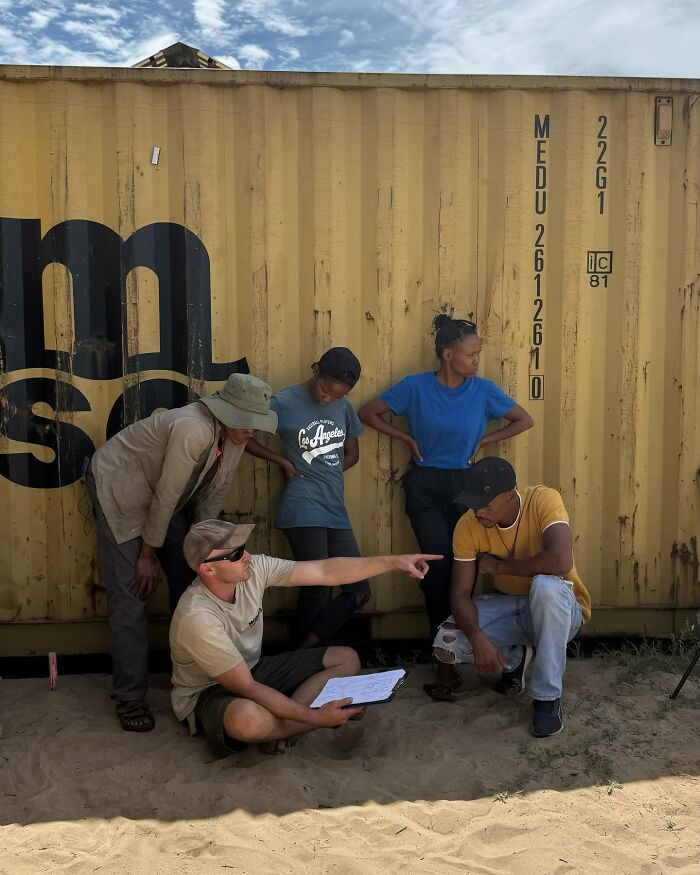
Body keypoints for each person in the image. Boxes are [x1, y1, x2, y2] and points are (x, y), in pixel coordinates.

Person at [86, 373, 277, 733]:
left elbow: (212, 498)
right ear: (227, 412)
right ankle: (129, 696)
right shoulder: (193, 427)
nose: (251, 429)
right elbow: (167, 496)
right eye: (246, 421)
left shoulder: (236, 435)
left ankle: (197, 680)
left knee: (192, 580)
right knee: (132, 594)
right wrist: (147, 556)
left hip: (162, 497)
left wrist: (206, 556)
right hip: (120, 488)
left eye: (256, 423)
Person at [169, 518, 441, 756]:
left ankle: (284, 730)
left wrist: (394, 562)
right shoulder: (197, 616)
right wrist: (316, 718)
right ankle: (299, 723)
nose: (248, 556)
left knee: (346, 658)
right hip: (209, 691)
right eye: (236, 553)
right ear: (207, 569)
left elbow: (325, 571)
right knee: (248, 720)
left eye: (244, 547)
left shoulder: (253, 570)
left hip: (252, 669)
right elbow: (247, 687)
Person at [358, 314, 533, 644]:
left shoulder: (483, 391)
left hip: (468, 487)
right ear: (448, 354)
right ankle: (441, 649)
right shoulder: (415, 387)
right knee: (437, 566)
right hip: (425, 486)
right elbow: (367, 412)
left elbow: (524, 420)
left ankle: (464, 643)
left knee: (464, 568)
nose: (477, 360)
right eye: (471, 354)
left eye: (478, 353)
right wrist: (406, 439)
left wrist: (484, 441)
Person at [432, 457, 591, 737]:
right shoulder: (467, 525)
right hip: (510, 608)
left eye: (485, 502)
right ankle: (515, 659)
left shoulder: (542, 499)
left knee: (545, 587)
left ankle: (547, 699)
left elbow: (560, 559)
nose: (478, 510)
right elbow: (459, 593)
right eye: (473, 502)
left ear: (509, 495)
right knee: (448, 642)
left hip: (562, 610)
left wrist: (500, 567)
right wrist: (477, 636)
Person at [245, 347, 370, 647]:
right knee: (315, 587)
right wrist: (283, 462)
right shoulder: (283, 402)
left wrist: (327, 471)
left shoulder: (344, 406)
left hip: (334, 507)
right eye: (325, 391)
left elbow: (352, 454)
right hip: (302, 506)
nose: (327, 399)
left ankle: (303, 653)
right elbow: (243, 436)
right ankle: (304, 659)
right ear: (316, 372)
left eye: (336, 396)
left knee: (359, 590)